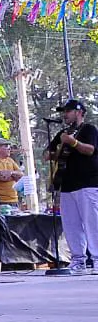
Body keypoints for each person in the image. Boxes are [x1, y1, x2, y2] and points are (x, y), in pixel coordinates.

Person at [45, 100, 98, 274]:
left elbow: (90, 149)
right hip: (66, 184)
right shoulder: (62, 133)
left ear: (79, 112)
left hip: (87, 182)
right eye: (64, 112)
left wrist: (73, 143)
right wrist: (58, 150)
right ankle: (78, 259)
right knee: (71, 224)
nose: (65, 114)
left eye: (68, 111)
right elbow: (47, 154)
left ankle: (96, 259)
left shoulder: (89, 129)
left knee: (92, 222)